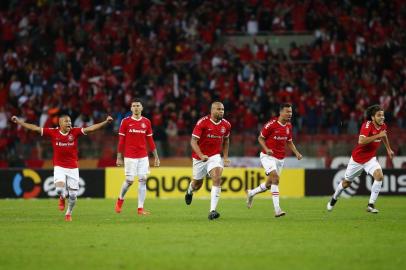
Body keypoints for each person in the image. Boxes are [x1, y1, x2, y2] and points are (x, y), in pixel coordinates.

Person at [11, 114, 113, 221]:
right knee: (59, 189)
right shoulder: (53, 132)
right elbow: (35, 128)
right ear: (60, 124)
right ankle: (62, 196)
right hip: (59, 166)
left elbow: (91, 128)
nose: (69, 123)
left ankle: (68, 213)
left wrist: (105, 122)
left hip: (73, 167)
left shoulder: (75, 132)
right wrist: (19, 122)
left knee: (73, 195)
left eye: (69, 121)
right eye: (66, 121)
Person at [327, 105, 394, 213]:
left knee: (379, 176)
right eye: (379, 115)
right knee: (346, 184)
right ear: (373, 117)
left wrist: (389, 149)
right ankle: (334, 198)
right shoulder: (367, 125)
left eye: (383, 115)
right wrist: (377, 136)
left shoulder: (383, 126)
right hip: (357, 160)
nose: (382, 117)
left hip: (370, 159)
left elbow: (384, 136)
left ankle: (370, 205)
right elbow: (361, 141)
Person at [246, 103, 303, 217]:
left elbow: (289, 141)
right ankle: (277, 210)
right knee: (275, 179)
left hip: (280, 158)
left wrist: (296, 152)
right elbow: (260, 138)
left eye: (291, 112)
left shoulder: (288, 126)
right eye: (287, 112)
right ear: (281, 112)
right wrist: (266, 149)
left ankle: (251, 193)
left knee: (268, 184)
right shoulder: (271, 124)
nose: (289, 114)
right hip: (267, 156)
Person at [184, 101, 231, 220]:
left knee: (217, 178)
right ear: (212, 111)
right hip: (199, 157)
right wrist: (201, 155)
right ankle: (189, 191)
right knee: (197, 185)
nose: (221, 111)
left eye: (223, 109)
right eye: (219, 109)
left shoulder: (226, 125)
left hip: (214, 156)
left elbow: (226, 140)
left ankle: (212, 211)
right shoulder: (202, 122)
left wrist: (225, 157)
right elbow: (193, 141)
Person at [115, 100, 160, 216]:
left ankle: (140, 208)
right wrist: (119, 157)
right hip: (130, 156)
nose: (135, 108)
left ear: (142, 108)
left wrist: (156, 157)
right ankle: (120, 199)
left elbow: (150, 140)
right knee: (130, 180)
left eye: (138, 106)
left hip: (143, 156)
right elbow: (121, 141)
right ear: (131, 109)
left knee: (143, 179)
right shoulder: (125, 122)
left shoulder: (147, 122)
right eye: (133, 106)